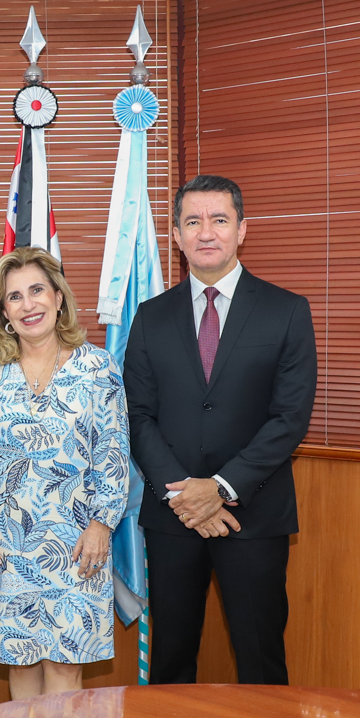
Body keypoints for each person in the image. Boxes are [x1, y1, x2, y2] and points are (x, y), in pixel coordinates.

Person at [124, 174, 317, 685]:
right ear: (177, 235)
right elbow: (137, 415)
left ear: (241, 229)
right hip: (173, 518)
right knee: (170, 661)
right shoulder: (150, 317)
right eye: (192, 221)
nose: (205, 232)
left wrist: (220, 489)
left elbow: (289, 417)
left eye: (219, 220)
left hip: (253, 515)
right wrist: (185, 496)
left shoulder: (287, 311)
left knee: (261, 662)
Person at [0, 246, 129, 699]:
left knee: (65, 667)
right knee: (19, 665)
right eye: (15, 297)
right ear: (5, 313)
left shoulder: (99, 369)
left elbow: (113, 457)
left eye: (37, 290)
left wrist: (101, 524)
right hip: (7, 544)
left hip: (77, 544)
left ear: (58, 298)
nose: (28, 304)